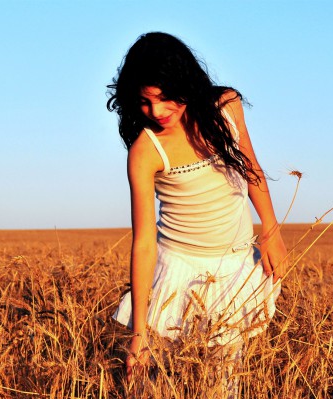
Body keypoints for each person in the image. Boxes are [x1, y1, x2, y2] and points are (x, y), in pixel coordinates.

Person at [107, 32, 288, 396]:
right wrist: (138, 334)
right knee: (155, 387)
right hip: (179, 275)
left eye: (163, 98)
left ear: (185, 83)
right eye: (144, 102)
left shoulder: (226, 106)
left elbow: (251, 167)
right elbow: (144, 241)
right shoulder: (146, 151)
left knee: (224, 386)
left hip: (236, 270)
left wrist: (271, 229)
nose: (156, 112)